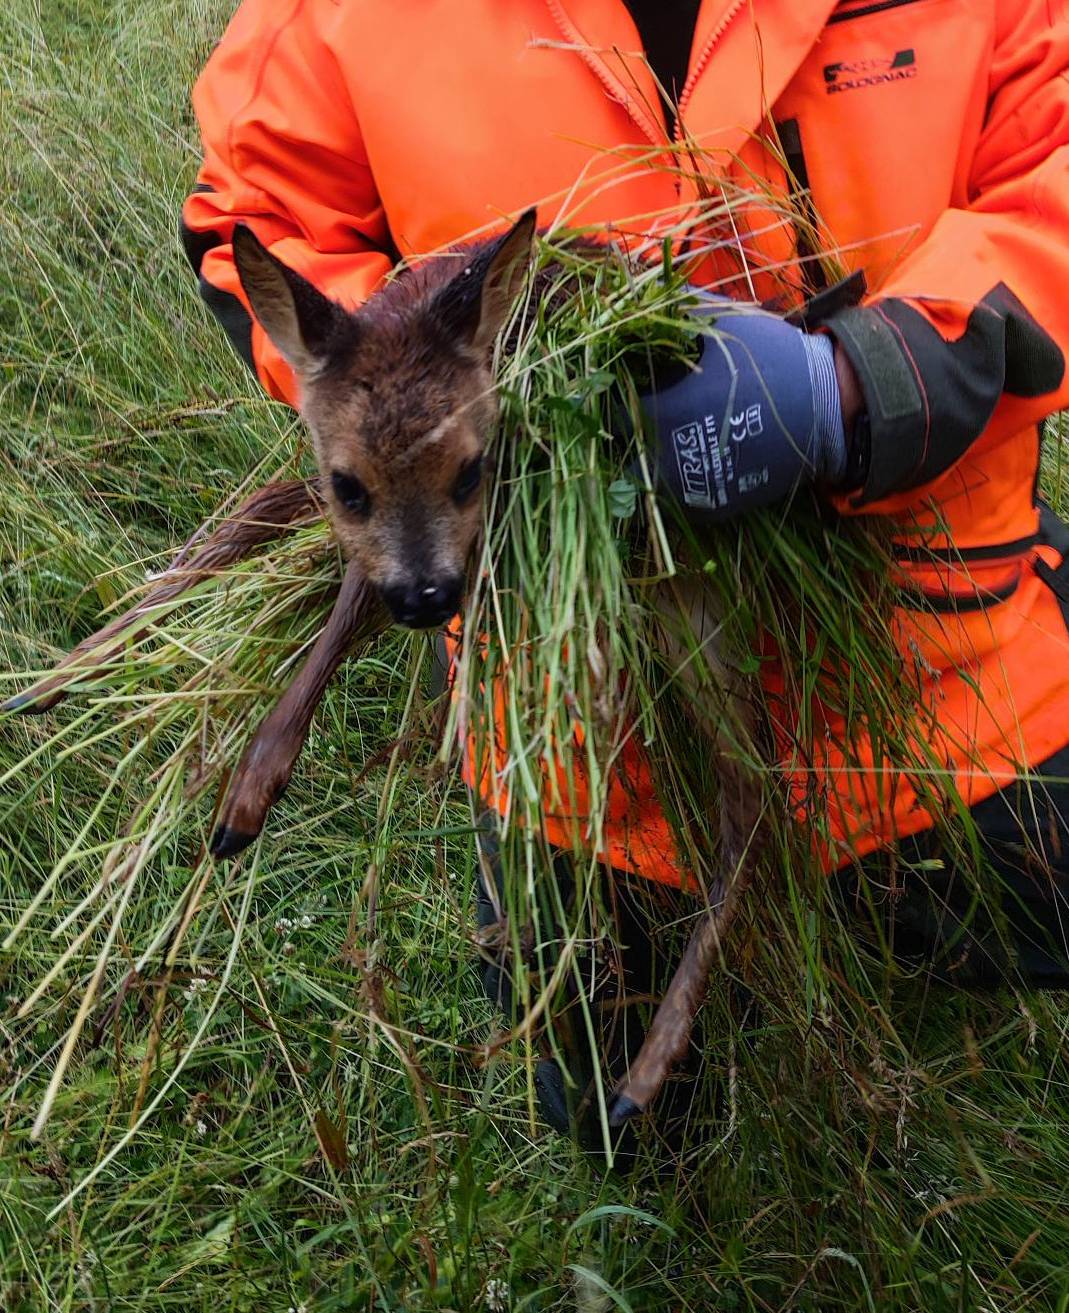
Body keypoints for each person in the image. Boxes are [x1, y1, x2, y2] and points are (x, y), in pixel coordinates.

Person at [182, 1, 1069, 1143]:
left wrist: (855, 387)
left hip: (954, 675)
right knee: (617, 1134)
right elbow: (256, 215)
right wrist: (408, 384)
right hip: (583, 737)